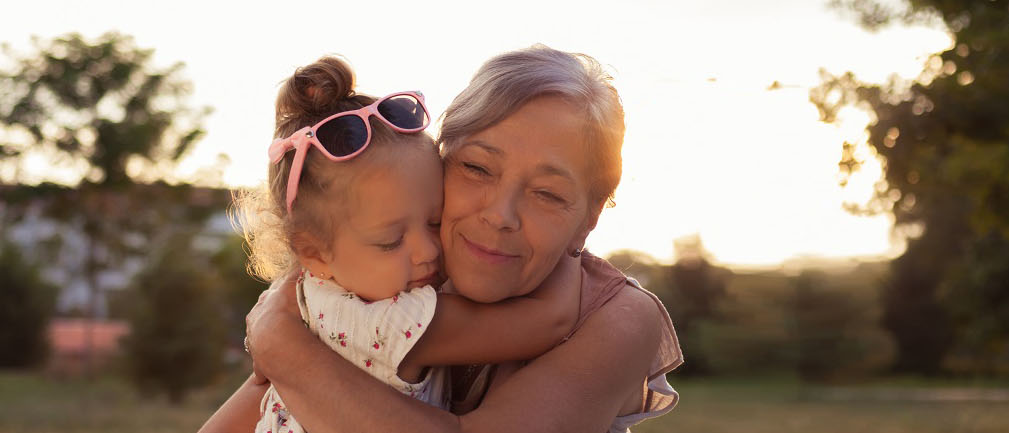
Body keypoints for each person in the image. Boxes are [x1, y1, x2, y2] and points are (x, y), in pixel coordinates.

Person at [200, 45, 682, 433]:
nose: (499, 215)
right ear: (439, 160)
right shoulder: (397, 279)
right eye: (477, 168)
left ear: (589, 216)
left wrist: (285, 349)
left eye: (548, 194)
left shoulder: (619, 317)